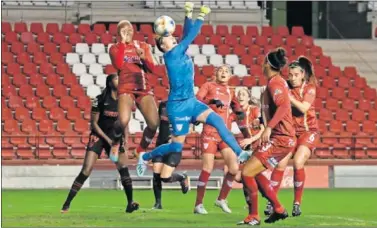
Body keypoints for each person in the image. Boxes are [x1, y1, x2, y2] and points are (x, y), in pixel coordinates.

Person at [136, 2, 249, 183]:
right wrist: (201, 16)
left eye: (173, 37)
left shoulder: (179, 51)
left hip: (191, 102)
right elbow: (191, 35)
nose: (172, 38)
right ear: (162, 46)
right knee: (176, 147)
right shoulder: (171, 54)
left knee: (218, 121)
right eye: (168, 38)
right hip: (177, 107)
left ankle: (240, 153)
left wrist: (188, 14)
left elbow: (185, 35)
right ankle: (145, 156)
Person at [61, 74, 139, 214]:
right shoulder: (100, 100)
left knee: (123, 168)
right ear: (109, 83)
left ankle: (130, 203)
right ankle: (67, 203)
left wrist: (125, 139)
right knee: (86, 170)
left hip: (115, 138)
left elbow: (124, 122)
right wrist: (107, 140)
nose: (119, 81)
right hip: (98, 136)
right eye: (116, 79)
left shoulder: (124, 100)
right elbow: (94, 124)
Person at [238, 48, 296, 226]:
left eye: (264, 62)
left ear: (268, 65)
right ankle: (278, 209)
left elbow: (284, 107)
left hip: (281, 138)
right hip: (282, 138)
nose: (262, 65)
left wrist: (268, 128)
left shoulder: (275, 83)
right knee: (254, 173)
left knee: (246, 172)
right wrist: (262, 122)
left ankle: (254, 216)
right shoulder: (275, 82)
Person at [264, 56, 319, 217]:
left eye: (296, 75)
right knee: (280, 165)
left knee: (298, 162)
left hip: (308, 132)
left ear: (303, 75)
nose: (292, 78)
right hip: (290, 133)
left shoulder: (309, 88)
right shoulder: (284, 86)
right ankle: (271, 201)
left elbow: (303, 108)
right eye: (290, 75)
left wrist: (288, 97)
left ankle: (296, 203)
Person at [194, 65, 245, 214]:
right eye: (221, 71)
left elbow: (236, 106)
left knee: (234, 169)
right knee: (207, 168)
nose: (223, 73)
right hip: (210, 132)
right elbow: (197, 100)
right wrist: (211, 102)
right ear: (216, 74)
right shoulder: (208, 85)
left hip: (225, 134)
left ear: (230, 76)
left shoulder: (231, 91)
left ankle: (221, 199)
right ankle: (198, 204)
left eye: (226, 71)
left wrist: (239, 112)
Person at [108, 19, 159, 162]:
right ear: (119, 33)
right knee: (123, 120)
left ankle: (140, 149)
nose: (127, 32)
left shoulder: (143, 45)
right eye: (124, 30)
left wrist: (144, 58)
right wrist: (123, 44)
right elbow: (118, 65)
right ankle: (116, 142)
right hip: (126, 88)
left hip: (143, 88)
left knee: (154, 124)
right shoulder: (115, 48)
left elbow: (152, 69)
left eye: (129, 30)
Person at [151, 100, 191, 209]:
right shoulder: (162, 105)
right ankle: (158, 203)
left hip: (174, 148)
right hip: (160, 146)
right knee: (156, 174)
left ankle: (182, 177)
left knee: (165, 177)